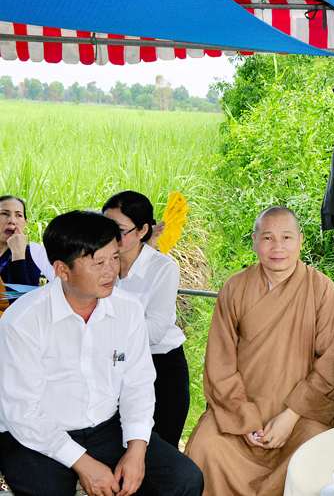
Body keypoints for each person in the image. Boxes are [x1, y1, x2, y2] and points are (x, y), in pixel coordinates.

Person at [0, 210, 203, 496]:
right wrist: (84, 464)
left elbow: (138, 385)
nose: (111, 271)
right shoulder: (23, 320)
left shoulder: (128, 309)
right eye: (98, 263)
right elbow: (22, 412)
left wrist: (136, 449)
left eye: (115, 258)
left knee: (185, 479)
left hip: (107, 428)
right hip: (37, 436)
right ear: (62, 269)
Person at [184, 206, 334, 496]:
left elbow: (331, 363)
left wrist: (290, 417)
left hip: (301, 415)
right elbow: (220, 363)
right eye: (268, 237)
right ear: (255, 241)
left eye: (286, 237)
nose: (277, 247)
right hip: (241, 411)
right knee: (206, 445)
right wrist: (244, 419)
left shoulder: (322, 289)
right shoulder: (235, 288)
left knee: (316, 448)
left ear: (300, 240)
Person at [103, 191, 190, 448]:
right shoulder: (99, 265)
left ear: (143, 230)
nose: (110, 237)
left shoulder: (162, 268)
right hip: (114, 363)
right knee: (116, 447)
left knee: (160, 450)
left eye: (120, 230)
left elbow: (154, 332)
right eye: (105, 227)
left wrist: (105, 329)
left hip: (161, 366)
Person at [0, 196, 41, 293]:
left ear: (25, 223)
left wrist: (18, 253)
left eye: (18, 215)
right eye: (4, 213)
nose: (12, 221)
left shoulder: (33, 255)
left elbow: (23, 297)